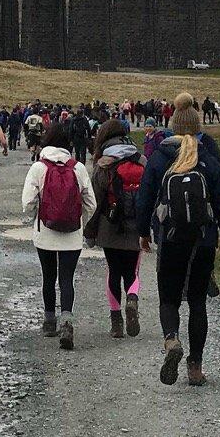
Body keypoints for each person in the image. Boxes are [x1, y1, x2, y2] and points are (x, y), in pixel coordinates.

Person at [136, 96, 220, 387]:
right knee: (197, 302)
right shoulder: (208, 158)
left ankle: (171, 341)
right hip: (203, 240)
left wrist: (144, 232)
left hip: (170, 240)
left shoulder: (159, 157)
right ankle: (195, 367)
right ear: (197, 126)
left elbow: (144, 199)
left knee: (169, 299)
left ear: (172, 127)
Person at [20, 120, 96, 350]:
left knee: (48, 277)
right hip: (72, 235)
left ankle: (49, 320)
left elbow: (27, 203)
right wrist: (78, 219)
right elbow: (91, 203)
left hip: (45, 232)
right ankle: (67, 320)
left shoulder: (38, 168)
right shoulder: (78, 167)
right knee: (66, 279)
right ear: (68, 144)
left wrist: (37, 217)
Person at [85, 118, 146, 338]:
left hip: (110, 225)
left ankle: (116, 323)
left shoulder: (104, 164)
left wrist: (90, 232)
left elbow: (95, 201)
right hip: (136, 227)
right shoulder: (142, 161)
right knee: (133, 271)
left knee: (113, 271)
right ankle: (132, 298)